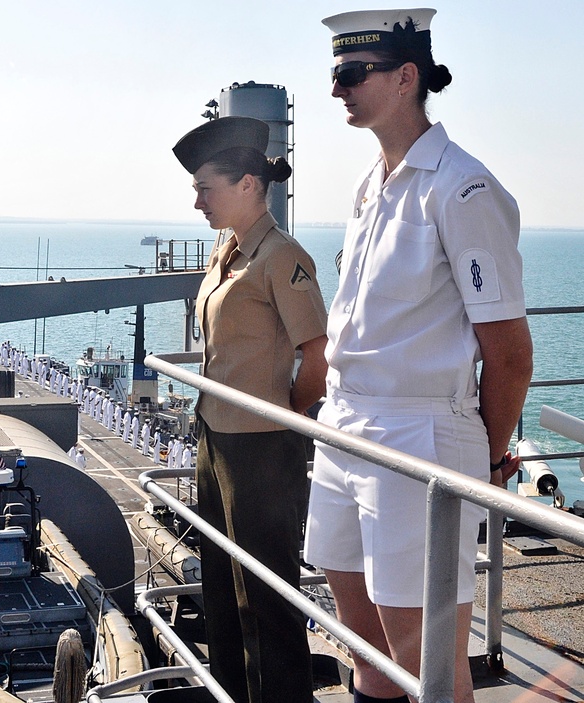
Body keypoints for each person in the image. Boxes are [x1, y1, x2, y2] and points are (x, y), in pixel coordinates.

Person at [304, 10, 533, 703]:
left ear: (406, 78)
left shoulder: (460, 187)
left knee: (431, 665)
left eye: (351, 75)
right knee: (367, 655)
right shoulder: (371, 184)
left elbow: (511, 354)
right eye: (334, 75)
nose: (338, 90)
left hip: (419, 436)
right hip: (345, 428)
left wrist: (488, 461)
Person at [174, 116, 329, 703]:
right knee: (220, 584)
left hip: (262, 445)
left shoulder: (281, 258)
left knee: (264, 593)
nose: (197, 202)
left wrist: (283, 414)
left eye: (204, 188)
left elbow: (316, 355)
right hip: (215, 435)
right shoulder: (229, 252)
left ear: (247, 185)